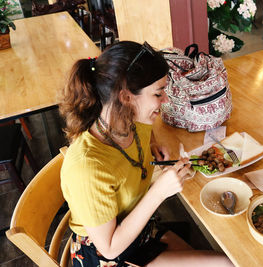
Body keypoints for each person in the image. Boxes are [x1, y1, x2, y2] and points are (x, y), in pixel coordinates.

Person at [59, 41, 233, 267]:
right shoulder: (87, 166)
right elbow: (109, 249)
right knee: (227, 264)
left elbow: (145, 134)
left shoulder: (130, 120)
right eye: (158, 93)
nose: (166, 100)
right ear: (126, 97)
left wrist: (153, 144)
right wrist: (158, 192)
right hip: (106, 255)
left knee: (226, 262)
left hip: (139, 231)